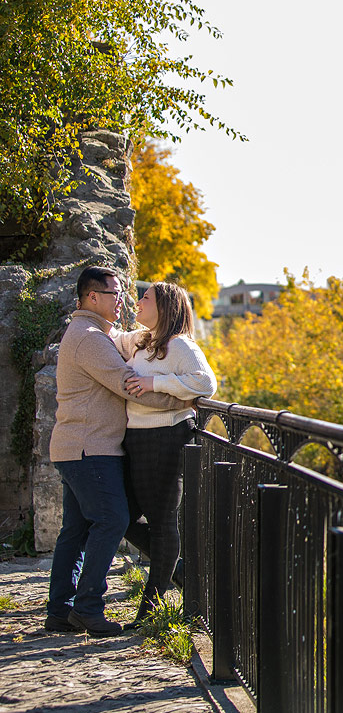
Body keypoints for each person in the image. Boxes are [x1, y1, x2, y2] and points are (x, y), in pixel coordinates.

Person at [46, 267, 191, 637]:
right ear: (92, 298)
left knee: (75, 530)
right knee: (112, 520)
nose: (122, 301)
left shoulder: (94, 333)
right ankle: (87, 608)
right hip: (89, 448)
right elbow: (130, 387)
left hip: (79, 446)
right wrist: (182, 399)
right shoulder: (90, 338)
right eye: (114, 294)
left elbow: (143, 344)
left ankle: (60, 611)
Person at [113, 281, 217, 627]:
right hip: (135, 440)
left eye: (145, 297)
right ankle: (181, 573)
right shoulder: (143, 342)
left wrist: (155, 384)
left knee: (161, 523)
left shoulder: (179, 345)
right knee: (121, 518)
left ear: (166, 307)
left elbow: (205, 383)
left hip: (166, 438)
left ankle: (151, 609)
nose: (138, 301)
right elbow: (108, 340)